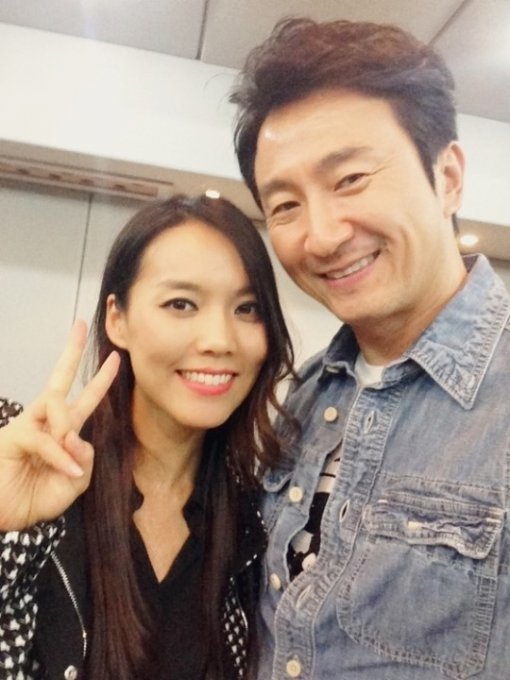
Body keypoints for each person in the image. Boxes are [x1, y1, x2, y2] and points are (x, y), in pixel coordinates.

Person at [230, 17, 510, 680]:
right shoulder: (305, 395)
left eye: (350, 178)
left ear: (447, 176)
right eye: (285, 205)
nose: (321, 236)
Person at [0, 195, 294, 680]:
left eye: (247, 308)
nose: (219, 340)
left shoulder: (256, 527)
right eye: (181, 304)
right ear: (117, 319)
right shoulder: (29, 470)